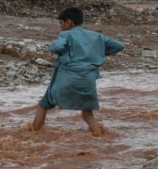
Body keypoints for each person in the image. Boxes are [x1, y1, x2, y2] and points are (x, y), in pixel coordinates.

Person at [30, 7, 124, 136]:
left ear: (69, 22)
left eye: (61, 23)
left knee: (43, 105)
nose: (60, 26)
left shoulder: (66, 34)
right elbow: (119, 45)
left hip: (67, 79)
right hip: (88, 80)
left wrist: (54, 48)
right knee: (87, 113)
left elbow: (57, 47)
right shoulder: (97, 36)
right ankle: (98, 135)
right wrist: (98, 53)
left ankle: (33, 135)